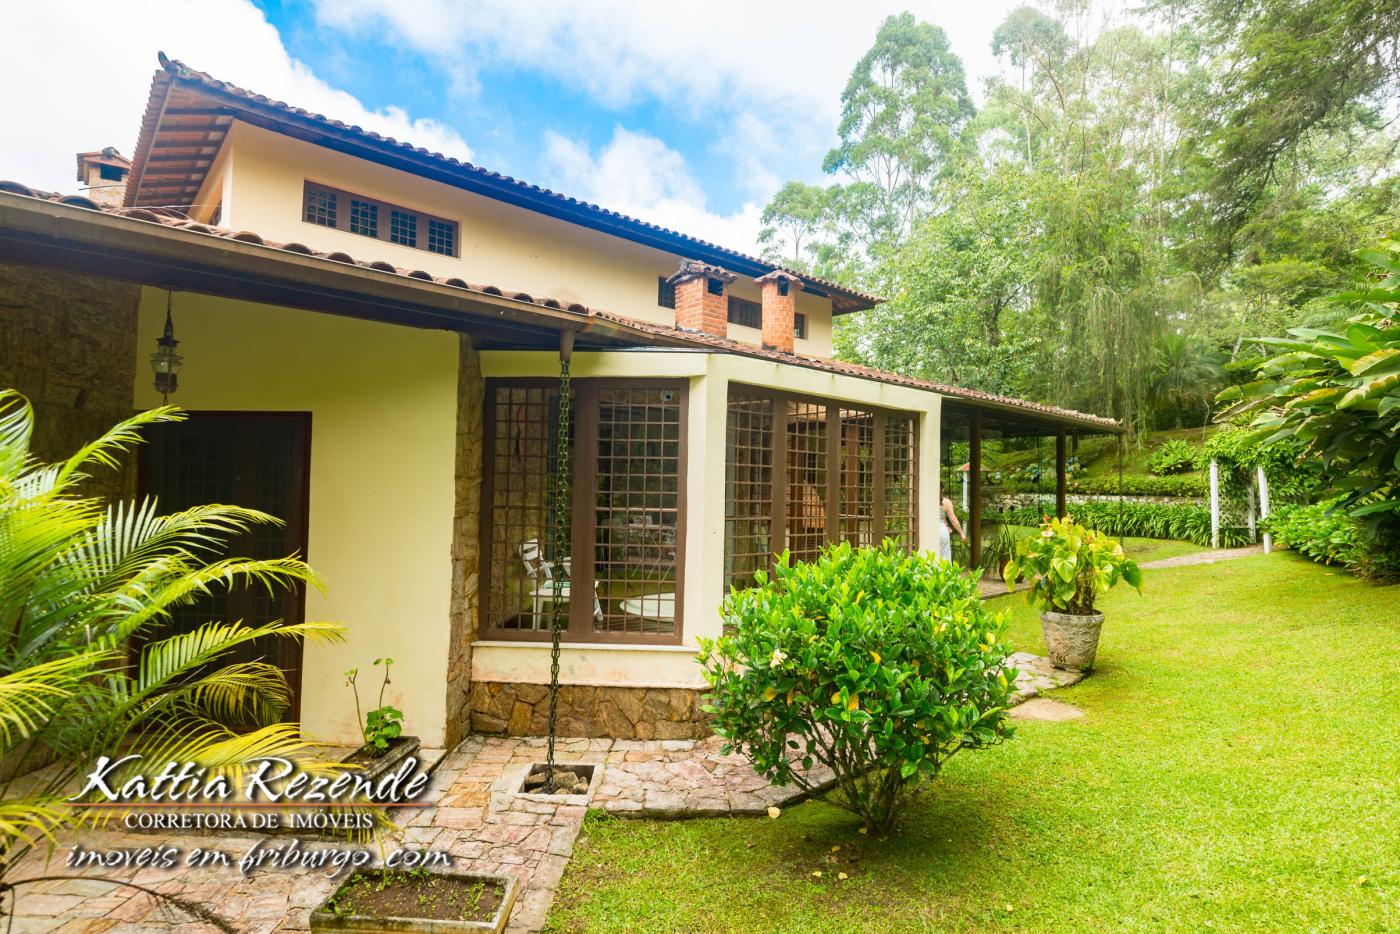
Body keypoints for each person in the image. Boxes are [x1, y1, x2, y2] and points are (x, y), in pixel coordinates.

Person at [938, 486, 967, 562]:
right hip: (941, 530)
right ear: (943, 489)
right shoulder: (946, 502)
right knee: (944, 556)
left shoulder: (927, 500)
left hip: (930, 529)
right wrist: (961, 533)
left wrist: (947, 525)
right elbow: (953, 519)